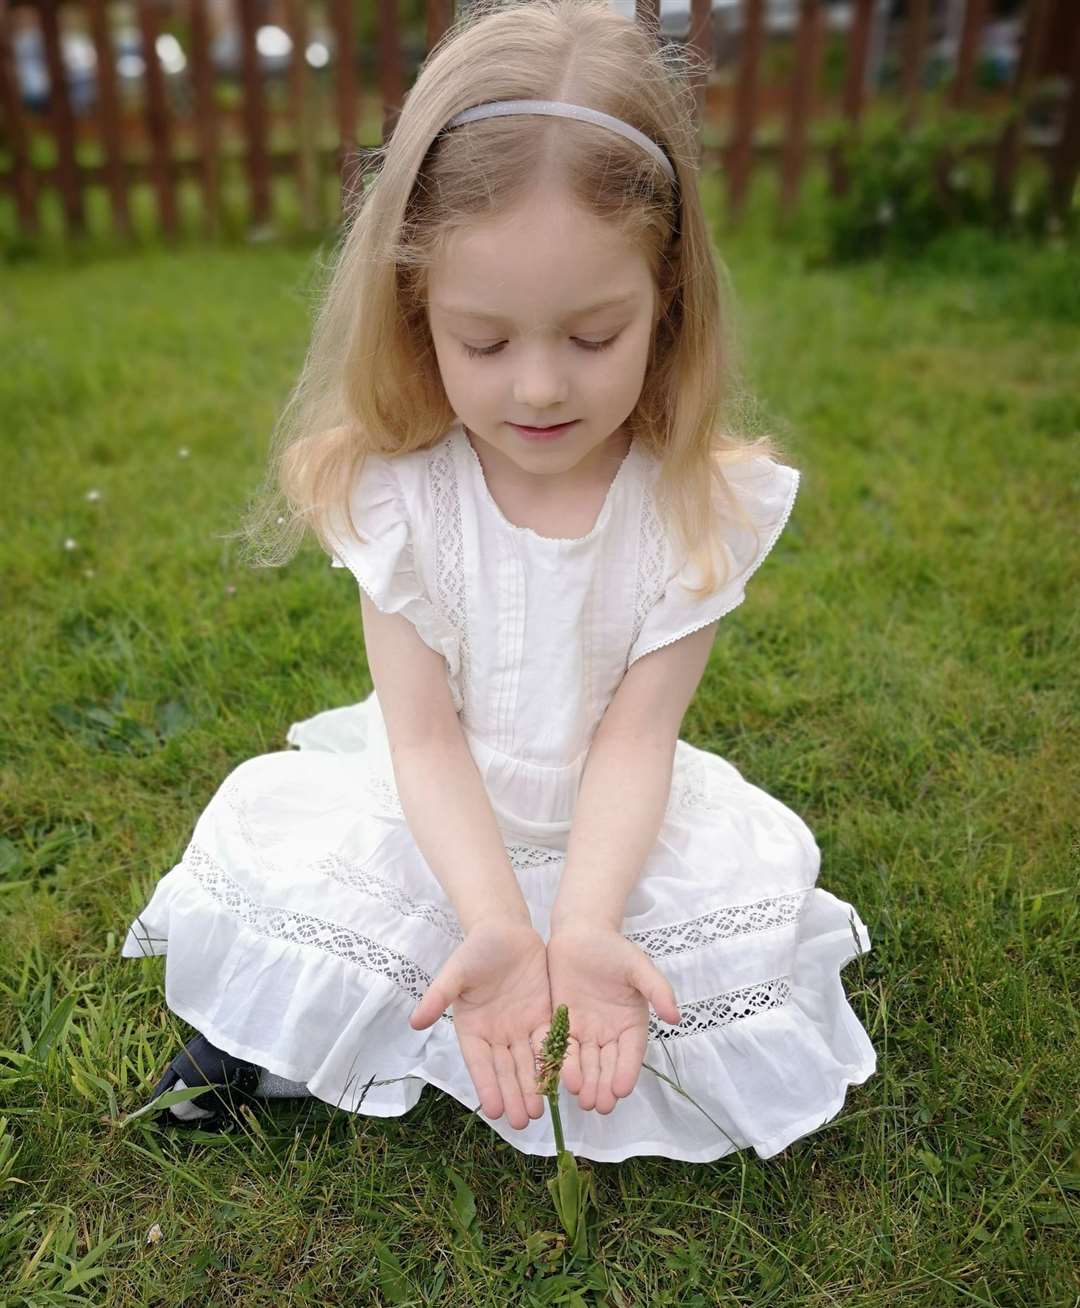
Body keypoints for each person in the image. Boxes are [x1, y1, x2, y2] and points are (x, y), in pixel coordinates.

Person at [122, 0, 876, 1162]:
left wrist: (577, 925)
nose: (536, 387)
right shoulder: (402, 499)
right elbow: (422, 744)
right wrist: (492, 920)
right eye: (485, 342)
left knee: (691, 968)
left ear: (666, 304)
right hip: (435, 815)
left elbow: (637, 744)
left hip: (610, 827)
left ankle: (512, 982)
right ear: (416, 311)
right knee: (327, 894)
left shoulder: (692, 509)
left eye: (591, 337)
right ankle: (269, 1045)